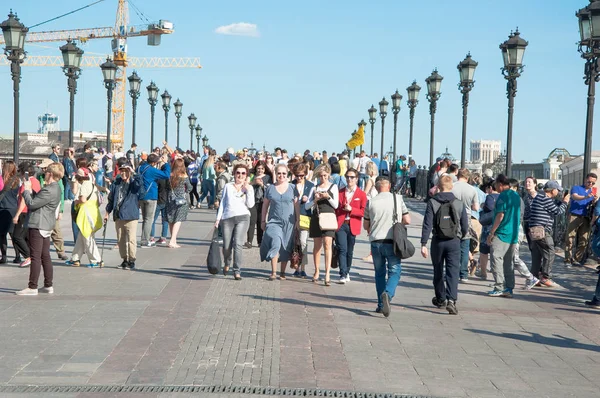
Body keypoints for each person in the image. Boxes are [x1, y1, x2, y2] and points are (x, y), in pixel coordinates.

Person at [420, 175, 468, 315]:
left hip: (438, 241)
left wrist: (424, 243)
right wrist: (461, 236)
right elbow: (465, 225)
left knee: (438, 270)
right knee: (453, 271)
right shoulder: (459, 203)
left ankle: (441, 298)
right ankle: (452, 300)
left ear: (438, 187)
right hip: (454, 241)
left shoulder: (433, 202)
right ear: (451, 186)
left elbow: (427, 224)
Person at [363, 177, 410, 317]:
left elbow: (366, 226)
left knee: (379, 273)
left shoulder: (370, 202)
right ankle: (388, 295)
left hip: (376, 242)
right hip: (392, 241)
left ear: (377, 188)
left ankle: (380, 304)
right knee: (395, 271)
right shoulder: (398, 199)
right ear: (389, 186)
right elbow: (407, 220)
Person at [15, 162, 63, 296]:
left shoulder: (49, 189)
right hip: (46, 224)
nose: (45, 174)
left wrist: (26, 190)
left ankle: (32, 286)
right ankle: (48, 285)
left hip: (38, 224)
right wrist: (33, 191)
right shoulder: (56, 188)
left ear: (51, 174)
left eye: (47, 172)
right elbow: (41, 200)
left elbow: (31, 204)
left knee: (35, 256)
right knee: (45, 256)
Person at [215, 163, 255, 280]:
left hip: (243, 217)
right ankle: (227, 262)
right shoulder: (228, 186)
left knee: (238, 243)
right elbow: (223, 203)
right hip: (228, 218)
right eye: (238, 173)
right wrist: (218, 218)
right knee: (227, 245)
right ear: (234, 174)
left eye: (243, 173)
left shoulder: (249, 188)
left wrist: (248, 191)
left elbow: (250, 204)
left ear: (246, 175)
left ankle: (237, 270)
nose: (240, 175)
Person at [260, 164, 299, 280]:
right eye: (279, 173)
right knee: (275, 242)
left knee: (286, 246)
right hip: (274, 221)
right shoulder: (270, 188)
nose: (281, 175)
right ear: (275, 174)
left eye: (284, 173)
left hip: (289, 222)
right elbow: (265, 205)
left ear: (287, 175)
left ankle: (282, 272)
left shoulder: (293, 188)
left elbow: (296, 205)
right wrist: (263, 220)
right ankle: (274, 272)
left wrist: (298, 220)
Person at [528, 180, 569, 287]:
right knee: (550, 252)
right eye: (558, 190)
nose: (559, 193)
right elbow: (557, 211)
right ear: (553, 190)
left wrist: (560, 202)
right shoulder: (545, 199)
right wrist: (565, 202)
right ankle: (545, 277)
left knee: (537, 254)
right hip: (542, 231)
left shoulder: (540, 197)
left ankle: (534, 277)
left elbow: (552, 207)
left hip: (534, 231)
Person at [487, 175, 522, 297]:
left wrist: (492, 233)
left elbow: (500, 215)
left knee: (496, 258)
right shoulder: (516, 195)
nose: (495, 187)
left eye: (496, 184)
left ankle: (499, 286)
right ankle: (509, 287)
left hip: (502, 233)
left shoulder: (503, 195)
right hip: (513, 234)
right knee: (508, 262)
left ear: (500, 184)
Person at [306, 163, 339, 286]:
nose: (323, 178)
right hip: (317, 217)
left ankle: (327, 273)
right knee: (317, 246)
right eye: (321, 176)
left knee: (328, 244)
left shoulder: (333, 187)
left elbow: (336, 205)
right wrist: (315, 200)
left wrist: (327, 196)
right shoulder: (314, 188)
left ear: (329, 175)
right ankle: (317, 270)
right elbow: (307, 206)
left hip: (329, 217)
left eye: (325, 175)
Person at [104, 164, 142, 269]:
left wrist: (134, 172)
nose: (123, 173)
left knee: (131, 239)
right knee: (121, 239)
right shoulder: (116, 184)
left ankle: (132, 260)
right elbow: (111, 199)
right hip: (119, 215)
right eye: (122, 171)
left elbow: (140, 184)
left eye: (126, 171)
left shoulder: (133, 184)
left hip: (130, 215)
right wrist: (107, 213)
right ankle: (125, 259)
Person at [335, 167, 367, 284]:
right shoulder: (340, 192)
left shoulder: (361, 194)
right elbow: (336, 208)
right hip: (341, 224)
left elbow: (363, 212)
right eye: (347, 177)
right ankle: (342, 274)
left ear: (357, 179)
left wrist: (351, 209)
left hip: (353, 224)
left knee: (350, 251)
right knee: (342, 249)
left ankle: (347, 271)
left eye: (352, 177)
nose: (349, 179)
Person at [67, 168, 103, 267]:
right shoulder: (92, 185)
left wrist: (76, 202)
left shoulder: (84, 185)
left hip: (86, 215)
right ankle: (75, 258)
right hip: (93, 213)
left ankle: (96, 260)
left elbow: (82, 199)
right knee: (81, 237)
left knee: (88, 238)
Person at [11, 162, 42, 268]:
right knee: (25, 236)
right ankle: (32, 256)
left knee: (17, 236)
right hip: (31, 211)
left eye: (19, 171)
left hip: (24, 211)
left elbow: (24, 200)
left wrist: (17, 215)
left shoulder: (27, 183)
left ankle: (28, 256)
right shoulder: (36, 181)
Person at [451, 169, 480, 282]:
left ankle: (452, 271)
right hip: (466, 218)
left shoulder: (452, 187)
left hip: (452, 216)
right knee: (464, 246)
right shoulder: (472, 189)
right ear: (468, 178)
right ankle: (463, 274)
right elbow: (476, 208)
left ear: (458, 176)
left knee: (452, 245)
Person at [37, 158, 67, 261]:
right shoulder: (40, 176)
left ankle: (61, 251)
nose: (43, 169)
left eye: (45, 167)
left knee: (56, 230)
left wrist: (61, 210)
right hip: (42, 206)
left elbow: (61, 195)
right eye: (43, 168)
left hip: (54, 207)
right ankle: (41, 251)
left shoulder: (57, 180)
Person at [564, 173, 598, 266]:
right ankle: (567, 259)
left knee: (584, 240)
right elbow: (575, 196)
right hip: (575, 215)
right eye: (589, 182)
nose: (590, 184)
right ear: (585, 180)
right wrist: (586, 196)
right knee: (570, 238)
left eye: (593, 183)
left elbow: (593, 205)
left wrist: (594, 200)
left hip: (586, 217)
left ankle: (576, 259)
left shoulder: (593, 191)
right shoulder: (577, 188)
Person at [138, 153, 171, 248]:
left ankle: (144, 238)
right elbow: (166, 175)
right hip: (151, 196)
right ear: (153, 163)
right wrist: (166, 163)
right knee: (149, 219)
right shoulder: (152, 170)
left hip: (141, 196)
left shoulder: (140, 168)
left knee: (145, 219)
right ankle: (145, 241)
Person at [292, 163, 314, 278]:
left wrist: (307, 200)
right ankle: (296, 266)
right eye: (297, 175)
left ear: (305, 174)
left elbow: (313, 202)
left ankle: (303, 268)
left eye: (301, 175)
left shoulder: (310, 185)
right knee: (295, 243)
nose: (299, 178)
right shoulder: (291, 185)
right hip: (292, 217)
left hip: (305, 216)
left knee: (303, 241)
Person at [166, 158, 193, 248]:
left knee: (171, 219)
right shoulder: (184, 176)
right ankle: (172, 241)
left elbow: (166, 187)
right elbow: (189, 187)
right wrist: (185, 192)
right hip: (181, 200)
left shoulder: (170, 175)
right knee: (178, 219)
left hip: (170, 199)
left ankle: (173, 240)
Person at [247, 161, 272, 248]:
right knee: (251, 221)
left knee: (260, 221)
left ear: (264, 169)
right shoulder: (252, 176)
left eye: (262, 168)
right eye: (258, 168)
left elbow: (270, 189)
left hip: (262, 201)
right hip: (252, 201)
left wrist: (262, 184)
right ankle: (249, 241)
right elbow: (246, 186)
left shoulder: (268, 177)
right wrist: (253, 182)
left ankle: (260, 241)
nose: (260, 170)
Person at [0, 161, 20, 264]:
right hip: (13, 208)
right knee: (13, 234)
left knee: (2, 235)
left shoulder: (2, 180)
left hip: (3, 208)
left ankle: (4, 256)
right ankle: (17, 256)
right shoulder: (16, 180)